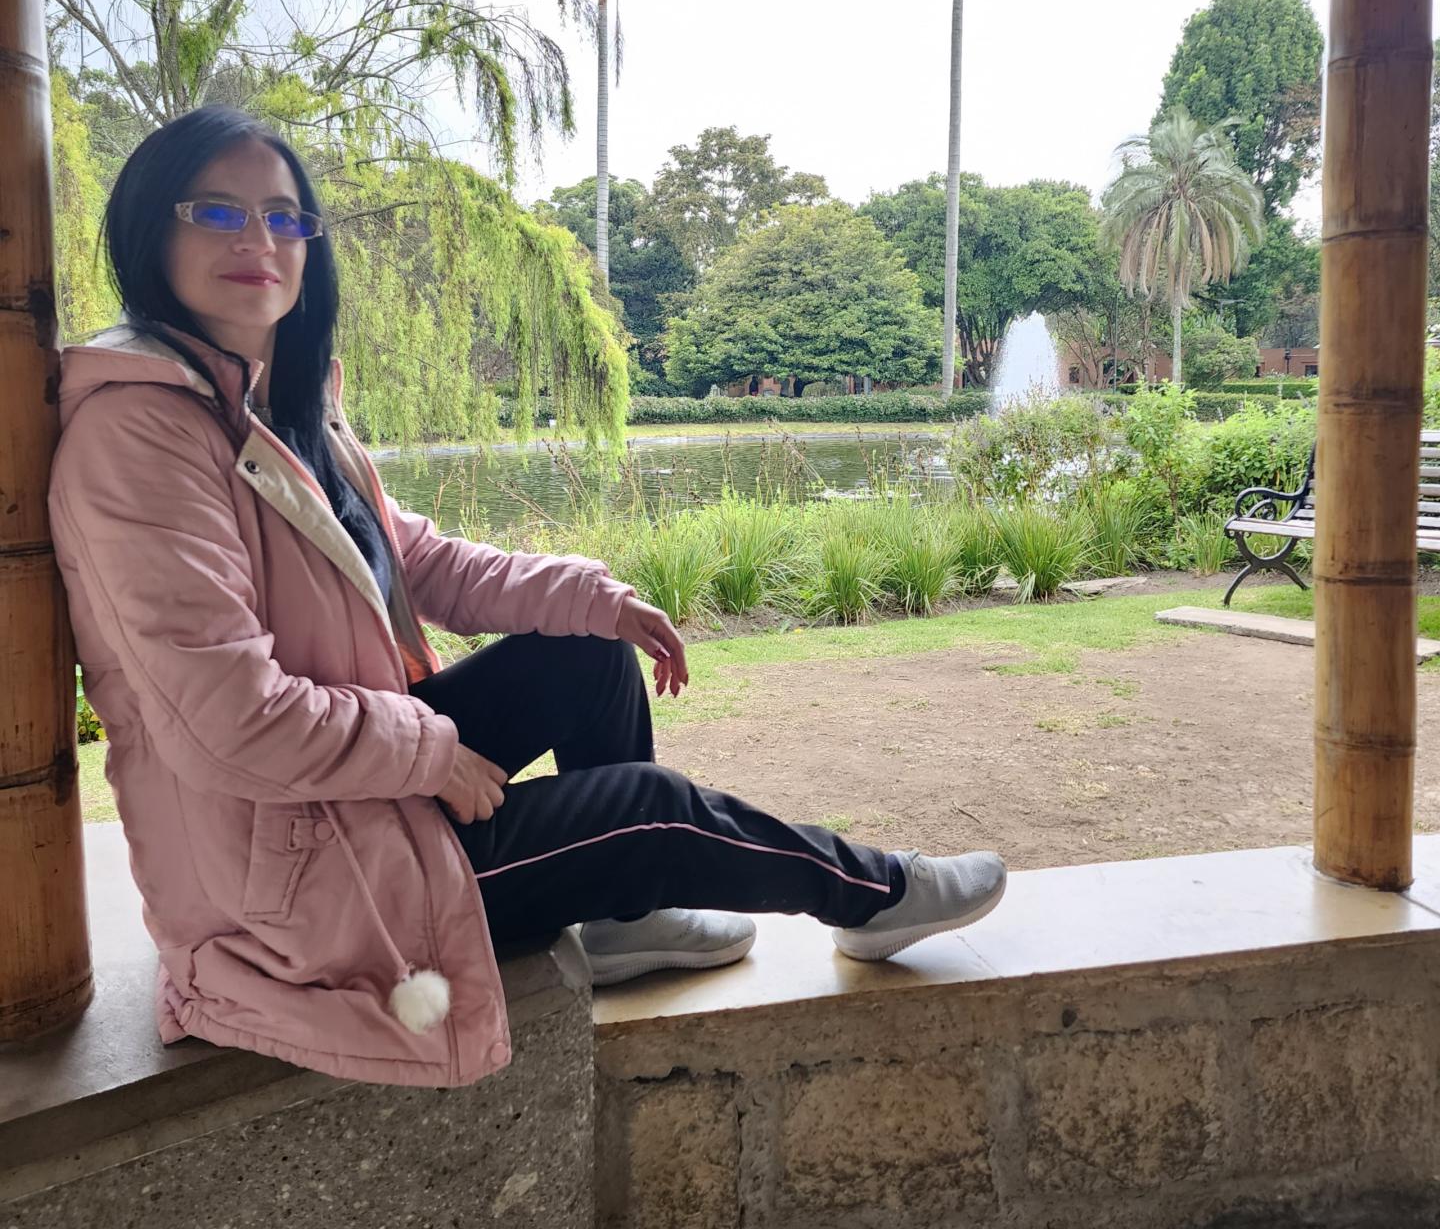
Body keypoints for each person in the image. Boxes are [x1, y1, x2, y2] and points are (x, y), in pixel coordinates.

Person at [46, 106, 1007, 1090]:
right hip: (297, 884)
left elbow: (419, 561)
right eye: (218, 211)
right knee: (652, 813)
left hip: (345, 797)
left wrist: (593, 597)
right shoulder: (143, 437)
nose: (259, 240)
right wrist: (431, 753)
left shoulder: (277, 407)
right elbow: (227, 718)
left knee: (589, 656)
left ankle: (625, 919)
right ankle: (874, 895)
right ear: (150, 230)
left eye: (285, 217)